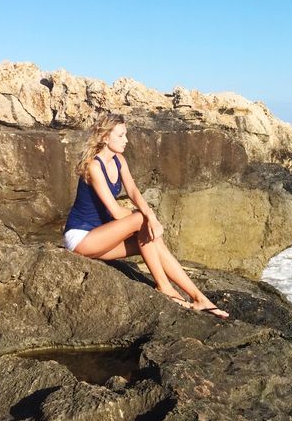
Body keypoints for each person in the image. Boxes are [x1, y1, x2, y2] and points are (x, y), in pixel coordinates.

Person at [63, 113, 229, 318]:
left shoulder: (119, 161)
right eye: (121, 135)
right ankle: (164, 286)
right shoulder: (94, 166)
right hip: (81, 239)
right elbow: (115, 211)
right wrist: (146, 218)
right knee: (141, 221)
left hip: (102, 237)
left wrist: (151, 217)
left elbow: (133, 191)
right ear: (105, 138)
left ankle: (198, 298)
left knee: (153, 240)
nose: (127, 140)